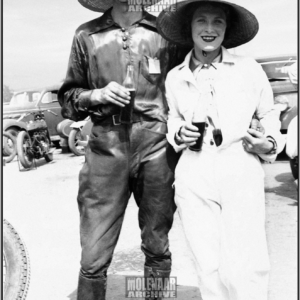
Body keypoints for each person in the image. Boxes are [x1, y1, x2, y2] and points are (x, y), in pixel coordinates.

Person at [58, 0, 187, 299]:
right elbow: (68, 100)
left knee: (157, 244)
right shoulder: (86, 35)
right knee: (93, 254)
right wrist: (94, 95)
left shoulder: (166, 34)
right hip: (106, 145)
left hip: (157, 145)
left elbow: (186, 86)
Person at [156, 1, 286, 299]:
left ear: (227, 29)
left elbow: (268, 113)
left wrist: (268, 142)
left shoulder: (247, 68)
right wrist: (179, 133)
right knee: (207, 262)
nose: (209, 29)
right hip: (193, 172)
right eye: (201, 21)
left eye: (218, 22)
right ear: (190, 27)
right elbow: (173, 118)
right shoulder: (175, 76)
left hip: (238, 165)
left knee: (246, 261)